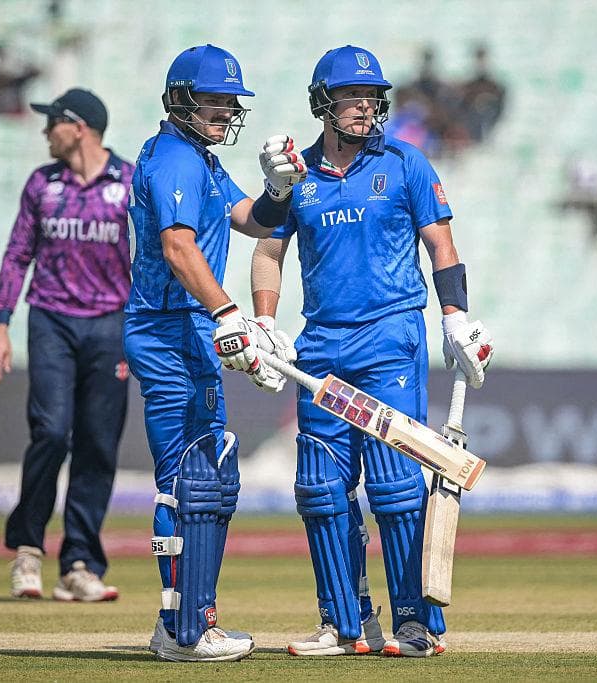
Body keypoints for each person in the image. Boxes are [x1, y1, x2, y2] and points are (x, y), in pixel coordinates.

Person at [250, 46, 494, 658]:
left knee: (394, 487)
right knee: (320, 488)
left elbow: (442, 245)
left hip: (391, 339)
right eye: (352, 98)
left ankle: (415, 624)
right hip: (321, 345)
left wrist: (456, 319)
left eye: (371, 97)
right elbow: (268, 252)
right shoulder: (294, 176)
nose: (365, 108)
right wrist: (261, 321)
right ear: (322, 104)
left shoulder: (405, 163)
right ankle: (344, 623)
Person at [123, 44, 305, 662]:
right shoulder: (174, 158)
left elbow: (251, 220)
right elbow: (178, 248)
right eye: (215, 100)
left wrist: (279, 190)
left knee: (206, 475)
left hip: (187, 329)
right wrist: (228, 312)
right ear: (180, 100)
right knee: (188, 481)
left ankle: (180, 622)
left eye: (233, 102)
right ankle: (186, 632)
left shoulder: (197, 158)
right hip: (168, 328)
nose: (227, 112)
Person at [0, 88, 134, 602]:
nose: (46, 132)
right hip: (51, 320)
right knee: (50, 431)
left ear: (80, 127)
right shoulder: (42, 185)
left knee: (97, 442)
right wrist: (0, 325)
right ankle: (27, 550)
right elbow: (16, 254)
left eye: (53, 123)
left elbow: (154, 256)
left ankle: (80, 563)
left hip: (110, 324)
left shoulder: (128, 182)